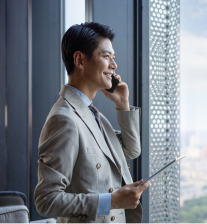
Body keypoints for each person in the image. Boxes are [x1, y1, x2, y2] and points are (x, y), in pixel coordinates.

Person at [34, 22, 149, 224]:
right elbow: (46, 200)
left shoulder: (93, 115)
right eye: (106, 57)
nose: (114, 65)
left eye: (113, 58)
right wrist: (111, 201)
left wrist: (123, 104)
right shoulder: (64, 119)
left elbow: (131, 151)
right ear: (79, 60)